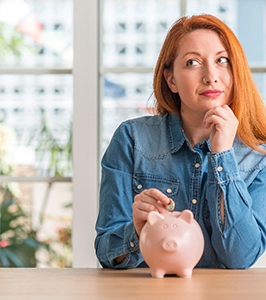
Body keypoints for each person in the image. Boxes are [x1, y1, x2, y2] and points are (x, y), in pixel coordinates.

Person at [95, 14, 266, 269]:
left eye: (222, 60)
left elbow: (240, 258)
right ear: (171, 79)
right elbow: (106, 252)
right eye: (193, 62)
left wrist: (222, 156)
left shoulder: (258, 155)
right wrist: (137, 232)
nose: (211, 76)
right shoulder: (132, 139)